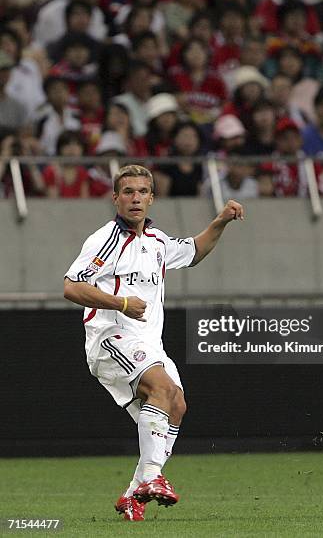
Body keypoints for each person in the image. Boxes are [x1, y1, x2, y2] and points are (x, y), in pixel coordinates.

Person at [63, 164, 244, 521]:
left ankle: (133, 494)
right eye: (127, 192)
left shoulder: (157, 241)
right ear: (115, 198)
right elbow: (71, 286)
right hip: (110, 337)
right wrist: (121, 303)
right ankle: (151, 476)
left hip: (147, 343)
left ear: (151, 198)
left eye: (142, 192)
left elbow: (193, 250)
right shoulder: (106, 239)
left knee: (176, 404)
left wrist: (220, 220)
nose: (135, 198)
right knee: (162, 388)